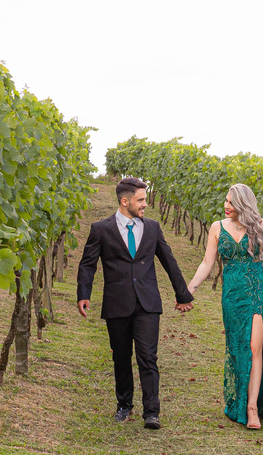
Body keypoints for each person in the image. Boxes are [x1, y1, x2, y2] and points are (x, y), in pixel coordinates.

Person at [77, 177, 194, 430]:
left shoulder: (152, 228)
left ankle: (152, 412)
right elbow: (87, 264)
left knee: (148, 356)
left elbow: (169, 261)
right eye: (140, 200)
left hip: (147, 303)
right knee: (121, 357)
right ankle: (124, 405)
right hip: (117, 303)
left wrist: (183, 294)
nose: (145, 204)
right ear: (124, 201)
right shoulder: (101, 229)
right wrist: (83, 294)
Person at [186, 184, 263, 429]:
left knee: (254, 347)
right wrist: (188, 291)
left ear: (243, 203)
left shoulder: (259, 225)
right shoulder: (217, 227)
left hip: (257, 290)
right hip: (232, 295)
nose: (226, 205)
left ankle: (252, 409)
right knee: (238, 347)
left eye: (231, 202)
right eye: (226, 201)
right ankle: (242, 400)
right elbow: (207, 263)